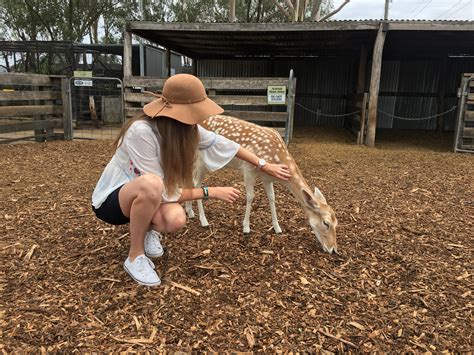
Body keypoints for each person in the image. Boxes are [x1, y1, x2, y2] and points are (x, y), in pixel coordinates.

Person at [91, 74, 291, 287]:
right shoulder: (141, 132)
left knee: (176, 218)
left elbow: (224, 143)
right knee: (152, 185)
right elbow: (163, 192)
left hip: (147, 197)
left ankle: (148, 231)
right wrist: (209, 191)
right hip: (112, 202)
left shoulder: (185, 130)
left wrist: (263, 164)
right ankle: (135, 256)